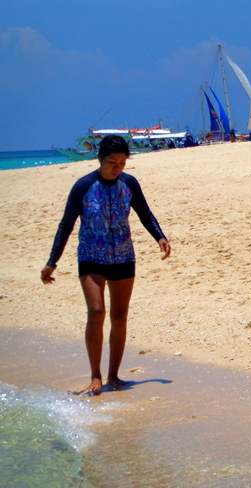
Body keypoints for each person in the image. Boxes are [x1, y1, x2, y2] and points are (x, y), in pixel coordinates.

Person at [41, 135, 171, 394]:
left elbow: (144, 212)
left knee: (120, 316)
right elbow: (66, 224)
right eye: (113, 162)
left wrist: (160, 236)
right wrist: (52, 261)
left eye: (123, 162)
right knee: (97, 312)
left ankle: (114, 375)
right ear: (100, 159)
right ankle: (95, 376)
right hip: (91, 256)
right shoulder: (84, 186)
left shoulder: (129, 183)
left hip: (123, 256)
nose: (118, 167)